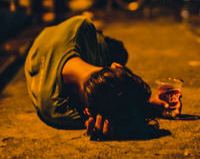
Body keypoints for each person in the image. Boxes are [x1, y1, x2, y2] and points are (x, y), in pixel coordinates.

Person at [24, 15, 176, 140]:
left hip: (80, 41)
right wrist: (146, 108)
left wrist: (148, 104)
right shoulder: (56, 108)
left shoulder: (82, 27)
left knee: (122, 52)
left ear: (116, 66)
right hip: (67, 44)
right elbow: (101, 119)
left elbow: (109, 106)